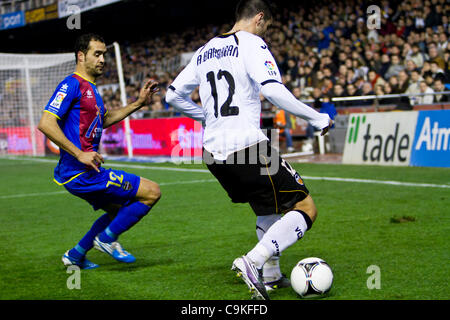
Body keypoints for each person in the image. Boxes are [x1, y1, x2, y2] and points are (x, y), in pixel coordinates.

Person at [166, 0, 332, 300]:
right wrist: (316, 117)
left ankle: (270, 275)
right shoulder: (252, 44)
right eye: (266, 24)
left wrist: (205, 115)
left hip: (212, 153)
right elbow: (271, 89)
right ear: (259, 18)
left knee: (267, 207)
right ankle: (252, 262)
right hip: (247, 145)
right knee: (306, 207)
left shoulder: (203, 51)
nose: (265, 30)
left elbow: (173, 95)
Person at [38, 34, 161, 269]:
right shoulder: (71, 84)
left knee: (119, 211)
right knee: (152, 192)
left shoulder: (92, 89)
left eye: (104, 54)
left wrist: (138, 103)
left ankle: (75, 255)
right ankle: (106, 240)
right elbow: (46, 123)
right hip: (80, 172)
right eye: (97, 54)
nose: (103, 59)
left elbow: (104, 120)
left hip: (85, 171)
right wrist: (79, 153)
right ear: (81, 56)